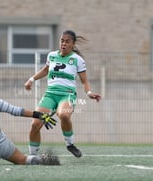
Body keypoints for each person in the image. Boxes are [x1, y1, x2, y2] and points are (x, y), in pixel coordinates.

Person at [24, 30, 101, 158]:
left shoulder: (78, 60)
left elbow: (84, 81)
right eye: (62, 41)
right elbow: (45, 70)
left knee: (64, 115)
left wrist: (89, 92)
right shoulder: (52, 55)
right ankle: (32, 156)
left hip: (67, 94)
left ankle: (70, 144)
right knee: (35, 124)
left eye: (67, 41)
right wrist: (31, 80)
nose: (63, 44)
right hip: (50, 94)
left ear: (73, 44)